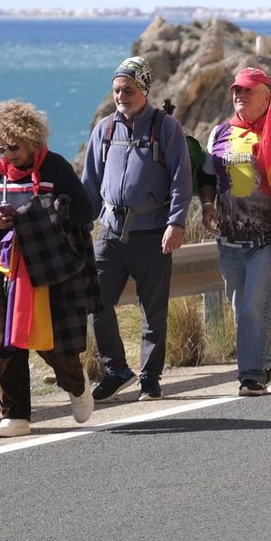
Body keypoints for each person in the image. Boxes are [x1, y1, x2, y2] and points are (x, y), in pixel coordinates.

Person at [0, 101, 102, 437]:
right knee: (7, 342)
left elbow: (84, 211)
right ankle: (15, 415)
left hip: (48, 266)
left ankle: (75, 384)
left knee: (52, 343)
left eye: (14, 147)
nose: (9, 154)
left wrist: (42, 213)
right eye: (1, 148)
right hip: (7, 268)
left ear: (32, 140)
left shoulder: (56, 167)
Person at [81, 57, 194, 402]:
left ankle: (150, 377)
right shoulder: (105, 130)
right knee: (95, 301)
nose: (120, 95)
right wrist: (80, 229)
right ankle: (117, 369)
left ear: (143, 89)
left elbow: (180, 180)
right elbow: (90, 183)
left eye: (127, 89)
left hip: (153, 232)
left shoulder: (166, 127)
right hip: (110, 234)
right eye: (116, 90)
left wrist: (175, 223)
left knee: (152, 309)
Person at [200, 67, 271, 396]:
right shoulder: (220, 132)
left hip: (270, 238)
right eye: (237, 89)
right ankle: (265, 357)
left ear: (268, 97)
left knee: (253, 305)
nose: (240, 95)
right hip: (230, 240)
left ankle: (251, 376)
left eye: (248, 91)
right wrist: (208, 205)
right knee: (241, 308)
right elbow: (207, 177)